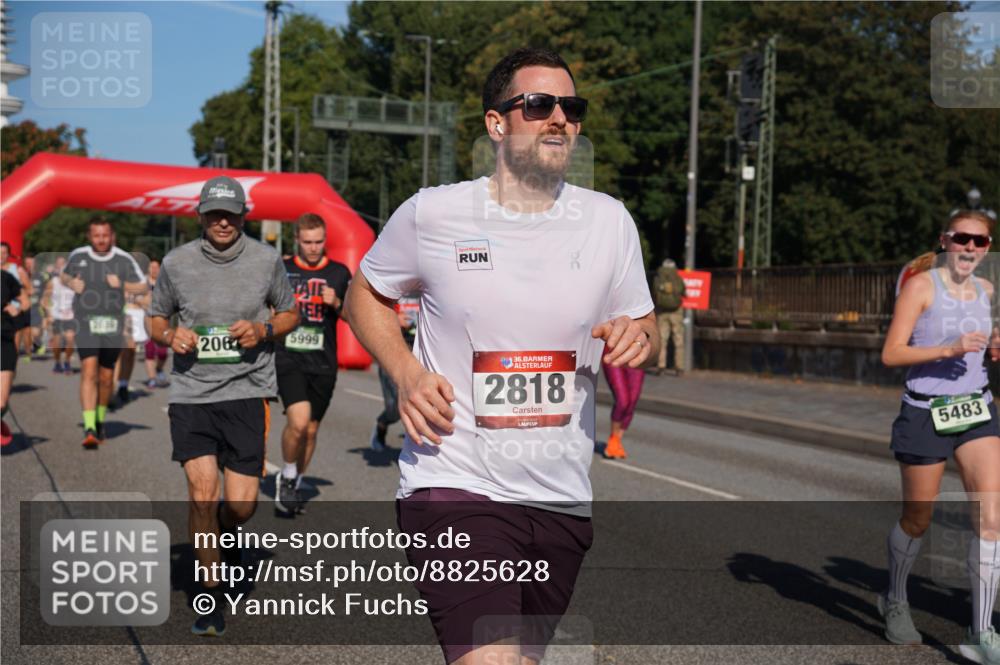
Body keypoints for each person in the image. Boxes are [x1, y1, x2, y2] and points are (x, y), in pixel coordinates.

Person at [345, 47, 658, 665]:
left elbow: (643, 325)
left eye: (571, 107)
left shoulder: (609, 222)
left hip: (560, 497)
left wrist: (636, 337)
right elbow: (365, 294)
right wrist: (406, 372)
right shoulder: (433, 213)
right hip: (454, 482)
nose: (559, 118)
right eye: (539, 105)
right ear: (496, 123)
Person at [149, 176, 297, 637]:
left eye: (230, 214)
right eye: (214, 213)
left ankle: (228, 532)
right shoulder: (176, 263)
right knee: (202, 492)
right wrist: (170, 334)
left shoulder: (266, 260)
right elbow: (155, 318)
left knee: (242, 505)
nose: (222, 222)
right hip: (192, 393)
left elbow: (290, 313)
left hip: (247, 392)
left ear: (242, 216)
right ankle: (210, 596)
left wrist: (264, 330)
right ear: (201, 215)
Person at [880, 209, 1000, 661]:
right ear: (945, 240)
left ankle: (981, 631)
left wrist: (993, 344)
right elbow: (892, 353)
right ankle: (895, 598)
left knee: (992, 519)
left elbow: (982, 343)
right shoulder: (920, 287)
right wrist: (947, 348)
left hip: (976, 410)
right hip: (926, 412)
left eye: (980, 241)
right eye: (962, 238)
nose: (970, 246)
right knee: (918, 520)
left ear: (987, 249)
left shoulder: (986, 290)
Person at [273, 213, 351, 515]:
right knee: (299, 421)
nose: (314, 248)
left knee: (312, 430)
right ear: (297, 240)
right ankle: (287, 474)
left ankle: (294, 482)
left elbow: (352, 316)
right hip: (288, 357)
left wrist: (337, 303)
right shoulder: (283, 269)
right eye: (307, 242)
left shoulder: (339, 273)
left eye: (319, 241)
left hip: (323, 362)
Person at [62, 219, 147, 448]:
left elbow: (142, 286)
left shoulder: (123, 259)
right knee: (89, 369)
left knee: (106, 377)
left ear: (112, 236)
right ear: (89, 236)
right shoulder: (79, 255)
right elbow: (64, 276)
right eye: (96, 235)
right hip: (85, 321)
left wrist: (122, 284)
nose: (101, 240)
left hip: (112, 323)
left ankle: (99, 420)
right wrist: (71, 283)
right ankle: (89, 426)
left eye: (105, 235)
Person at [370, 295, 419, 452]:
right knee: (394, 409)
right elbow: (368, 312)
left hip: (420, 356)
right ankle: (381, 426)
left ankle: (417, 445)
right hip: (394, 354)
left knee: (422, 402)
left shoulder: (431, 290)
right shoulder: (392, 289)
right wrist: (393, 320)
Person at [602, 352, 645, 459]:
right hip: (612, 353)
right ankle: (613, 440)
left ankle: (616, 441)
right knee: (623, 401)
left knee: (632, 400)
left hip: (636, 354)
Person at [653, 258, 686, 376]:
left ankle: (661, 366)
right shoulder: (677, 277)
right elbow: (683, 291)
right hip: (676, 312)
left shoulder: (658, 278)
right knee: (678, 339)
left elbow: (654, 292)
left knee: (662, 339)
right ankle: (679, 367)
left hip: (662, 311)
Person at [1, 268, 23, 446]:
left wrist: (17, 312)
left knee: (1, 403)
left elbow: (26, 302)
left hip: (4, 341)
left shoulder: (7, 278)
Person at [45, 256, 77, 375]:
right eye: (60, 265)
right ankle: (58, 362)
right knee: (57, 343)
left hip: (71, 316)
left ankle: (67, 362)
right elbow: (45, 299)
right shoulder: (53, 282)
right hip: (56, 315)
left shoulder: (75, 282)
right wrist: (48, 314)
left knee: (70, 339)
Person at [1, 243, 31, 361]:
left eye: (4, 253)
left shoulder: (17, 270)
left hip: (13, 315)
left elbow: (30, 290)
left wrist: (18, 301)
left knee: (11, 353)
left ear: (8, 255)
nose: (1, 256)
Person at [143, 260, 169, 389]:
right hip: (146, 320)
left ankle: (158, 369)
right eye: (151, 267)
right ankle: (152, 378)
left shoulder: (165, 283)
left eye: (156, 267)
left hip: (162, 320)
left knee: (163, 352)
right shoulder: (143, 284)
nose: (154, 269)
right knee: (150, 350)